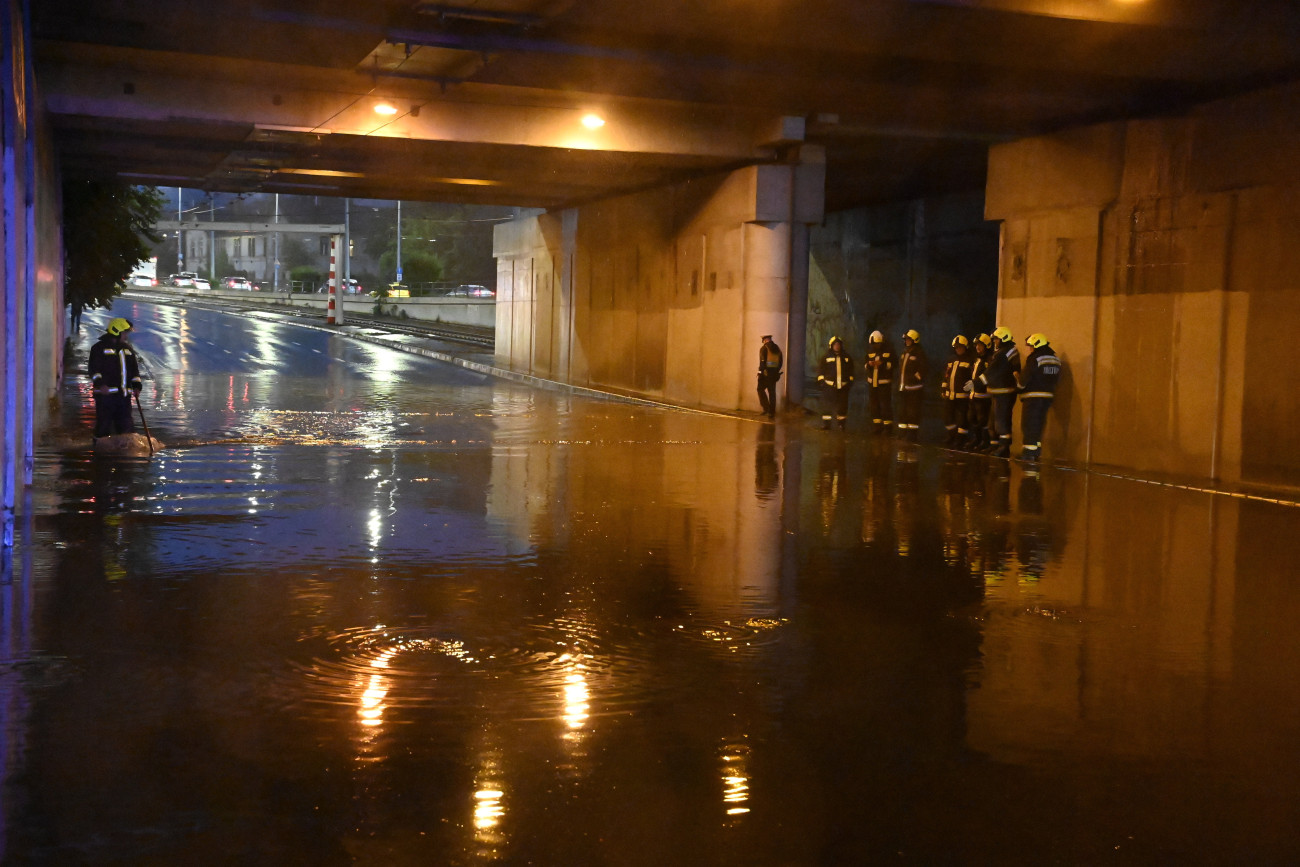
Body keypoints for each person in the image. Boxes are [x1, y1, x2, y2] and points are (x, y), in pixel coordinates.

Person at [88, 317, 142, 440]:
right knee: (103, 427)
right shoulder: (99, 348)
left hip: (124, 397)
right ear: (116, 331)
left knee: (126, 429)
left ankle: (123, 453)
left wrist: (137, 386)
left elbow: (134, 371)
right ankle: (100, 451)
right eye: (125, 333)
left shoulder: (128, 349)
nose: (126, 336)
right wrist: (100, 384)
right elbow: (94, 370)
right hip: (105, 397)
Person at [1018, 333, 1062, 462]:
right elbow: (1057, 378)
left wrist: (1019, 387)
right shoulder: (1055, 359)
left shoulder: (1035, 359)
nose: (1030, 349)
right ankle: (1036, 451)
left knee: (1029, 424)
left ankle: (1028, 453)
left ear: (1036, 345)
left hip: (1033, 397)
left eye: (1031, 346)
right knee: (1039, 424)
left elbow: (1025, 377)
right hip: (1048, 397)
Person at [980, 326, 1021, 457]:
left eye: (997, 339)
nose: (995, 342)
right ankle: (995, 445)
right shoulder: (1003, 352)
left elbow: (993, 371)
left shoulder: (1006, 352)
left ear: (1003, 338)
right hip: (998, 392)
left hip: (1005, 393)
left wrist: (977, 382)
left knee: (1001, 421)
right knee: (993, 422)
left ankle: (1004, 447)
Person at [940, 334, 973, 447]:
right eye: (956, 347)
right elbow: (946, 376)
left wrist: (970, 391)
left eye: (960, 347)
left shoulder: (969, 361)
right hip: (950, 395)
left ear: (965, 347)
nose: (958, 349)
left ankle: (960, 439)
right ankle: (952, 435)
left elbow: (972, 378)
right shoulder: (951, 360)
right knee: (946, 417)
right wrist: (943, 388)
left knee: (962, 419)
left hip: (962, 396)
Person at [816, 336, 854, 430]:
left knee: (842, 407)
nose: (837, 346)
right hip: (829, 386)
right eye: (835, 345)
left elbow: (851, 371)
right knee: (827, 406)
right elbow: (821, 370)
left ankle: (841, 424)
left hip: (843, 386)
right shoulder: (826, 357)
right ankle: (826, 424)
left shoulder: (846, 357)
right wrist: (821, 382)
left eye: (838, 344)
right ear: (831, 346)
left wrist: (850, 382)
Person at [896, 329, 926, 442]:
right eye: (906, 339)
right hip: (904, 387)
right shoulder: (905, 352)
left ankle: (912, 434)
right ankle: (902, 432)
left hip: (914, 389)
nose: (907, 341)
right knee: (902, 411)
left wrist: (915, 377)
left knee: (913, 412)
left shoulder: (919, 353)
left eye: (909, 339)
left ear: (915, 340)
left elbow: (923, 369)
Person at [863, 330, 894, 434]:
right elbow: (865, 363)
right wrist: (869, 364)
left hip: (884, 383)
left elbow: (894, 364)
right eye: (874, 344)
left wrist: (883, 364)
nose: (876, 346)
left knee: (885, 406)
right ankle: (877, 427)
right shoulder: (869, 350)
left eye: (877, 344)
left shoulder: (889, 350)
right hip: (872, 383)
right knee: (874, 406)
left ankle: (888, 428)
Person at [965, 333, 993, 451]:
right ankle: (976, 439)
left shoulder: (989, 359)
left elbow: (988, 376)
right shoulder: (976, 359)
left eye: (980, 345)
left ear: (986, 345)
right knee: (972, 418)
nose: (978, 347)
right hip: (974, 394)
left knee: (983, 420)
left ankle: (984, 441)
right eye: (976, 345)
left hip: (983, 396)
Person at [756, 334, 783, 418]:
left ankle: (766, 408)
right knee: (772, 392)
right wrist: (776, 371)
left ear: (765, 340)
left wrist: (760, 373)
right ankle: (772, 412)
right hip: (774, 374)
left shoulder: (764, 349)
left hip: (765, 374)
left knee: (760, 389)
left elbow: (762, 363)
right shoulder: (777, 348)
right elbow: (780, 362)